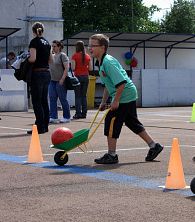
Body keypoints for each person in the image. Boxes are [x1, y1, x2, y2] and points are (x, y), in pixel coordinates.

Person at [89, 34, 164, 164]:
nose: (89, 48)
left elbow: (121, 83)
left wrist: (116, 101)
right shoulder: (101, 62)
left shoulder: (108, 62)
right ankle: (154, 146)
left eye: (92, 45)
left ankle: (112, 155)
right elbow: (108, 84)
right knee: (131, 122)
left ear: (102, 47)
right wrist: (103, 102)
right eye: (88, 45)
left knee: (111, 122)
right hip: (127, 94)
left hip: (125, 95)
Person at [27, 22, 53, 134]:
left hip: (37, 73)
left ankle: (39, 126)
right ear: (43, 31)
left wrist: (25, 59)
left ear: (33, 31)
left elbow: (32, 59)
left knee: (36, 101)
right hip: (46, 72)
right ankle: (45, 126)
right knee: (44, 101)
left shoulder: (34, 42)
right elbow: (51, 59)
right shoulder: (47, 43)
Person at [49, 40, 71, 123]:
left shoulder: (63, 55)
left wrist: (62, 79)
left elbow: (66, 68)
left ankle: (67, 116)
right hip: (52, 80)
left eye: (54, 46)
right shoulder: (52, 56)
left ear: (59, 47)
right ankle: (53, 116)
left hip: (60, 80)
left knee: (63, 98)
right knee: (52, 98)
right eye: (52, 46)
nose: (53, 48)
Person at [71, 40, 92, 119]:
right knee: (84, 96)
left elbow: (73, 68)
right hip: (86, 76)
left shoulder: (74, 56)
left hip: (78, 77)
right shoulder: (87, 56)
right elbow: (90, 68)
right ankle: (84, 113)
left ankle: (78, 113)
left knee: (78, 96)